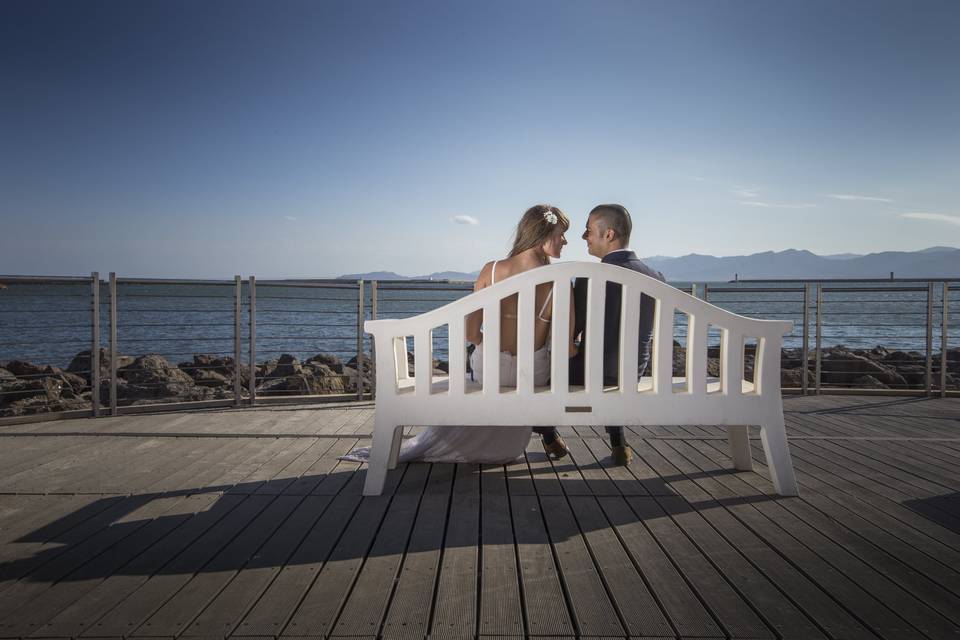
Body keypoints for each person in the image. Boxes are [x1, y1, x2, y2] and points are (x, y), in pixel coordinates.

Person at [341, 204, 576, 465]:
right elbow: (565, 350)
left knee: (472, 369)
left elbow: (470, 332)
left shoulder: (492, 270)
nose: (565, 240)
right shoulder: (560, 281)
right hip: (531, 376)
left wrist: (489, 345)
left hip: (490, 370)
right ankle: (547, 434)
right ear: (542, 234)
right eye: (561, 233)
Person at [568, 204, 665, 465]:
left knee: (539, 366)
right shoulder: (656, 277)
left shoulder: (591, 277)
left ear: (608, 234)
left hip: (593, 373)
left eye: (588, 231)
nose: (584, 237)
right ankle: (618, 443)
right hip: (633, 371)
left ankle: (548, 436)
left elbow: (570, 333)